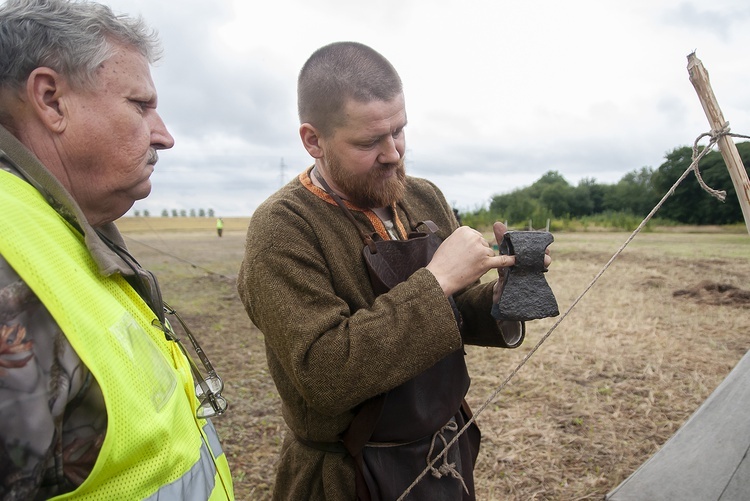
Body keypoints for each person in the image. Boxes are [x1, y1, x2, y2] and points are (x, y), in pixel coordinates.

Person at [237, 41, 551, 500]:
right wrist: (437, 280)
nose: (393, 154)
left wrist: (504, 292)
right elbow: (325, 373)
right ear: (313, 140)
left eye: (399, 131)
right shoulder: (283, 228)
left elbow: (454, 313)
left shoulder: (422, 197)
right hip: (348, 476)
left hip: (445, 453)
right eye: (369, 141)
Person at [0, 0, 233, 499]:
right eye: (140, 105)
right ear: (51, 100)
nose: (164, 136)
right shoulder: (8, 253)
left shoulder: (65, 223)